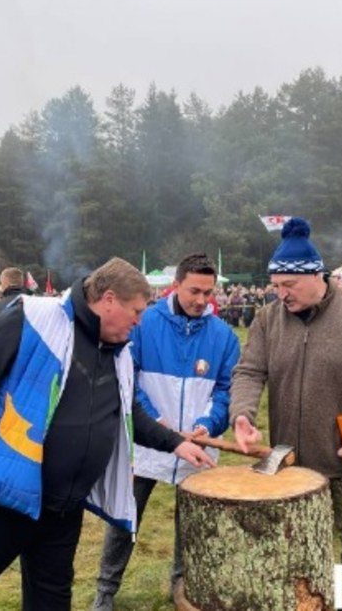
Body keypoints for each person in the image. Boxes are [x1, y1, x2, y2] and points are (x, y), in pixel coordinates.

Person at [0, 257, 215, 610]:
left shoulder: (118, 350)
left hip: (62, 508)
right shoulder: (32, 318)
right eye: (135, 312)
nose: (138, 323)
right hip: (0, 498)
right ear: (109, 300)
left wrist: (176, 443)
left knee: (51, 601)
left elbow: (125, 412)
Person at [229, 218, 342, 603]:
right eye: (275, 286)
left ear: (317, 276)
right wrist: (242, 414)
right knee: (295, 544)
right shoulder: (268, 319)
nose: (281, 295)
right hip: (289, 461)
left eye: (289, 285)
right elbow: (248, 370)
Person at [92, 253, 241, 610]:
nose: (202, 300)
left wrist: (208, 424)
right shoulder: (145, 322)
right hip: (146, 442)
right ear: (177, 284)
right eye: (194, 291)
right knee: (123, 518)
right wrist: (156, 422)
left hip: (197, 446)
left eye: (208, 292)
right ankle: (105, 590)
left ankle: (181, 585)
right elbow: (129, 376)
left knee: (190, 525)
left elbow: (226, 389)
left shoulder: (223, 335)